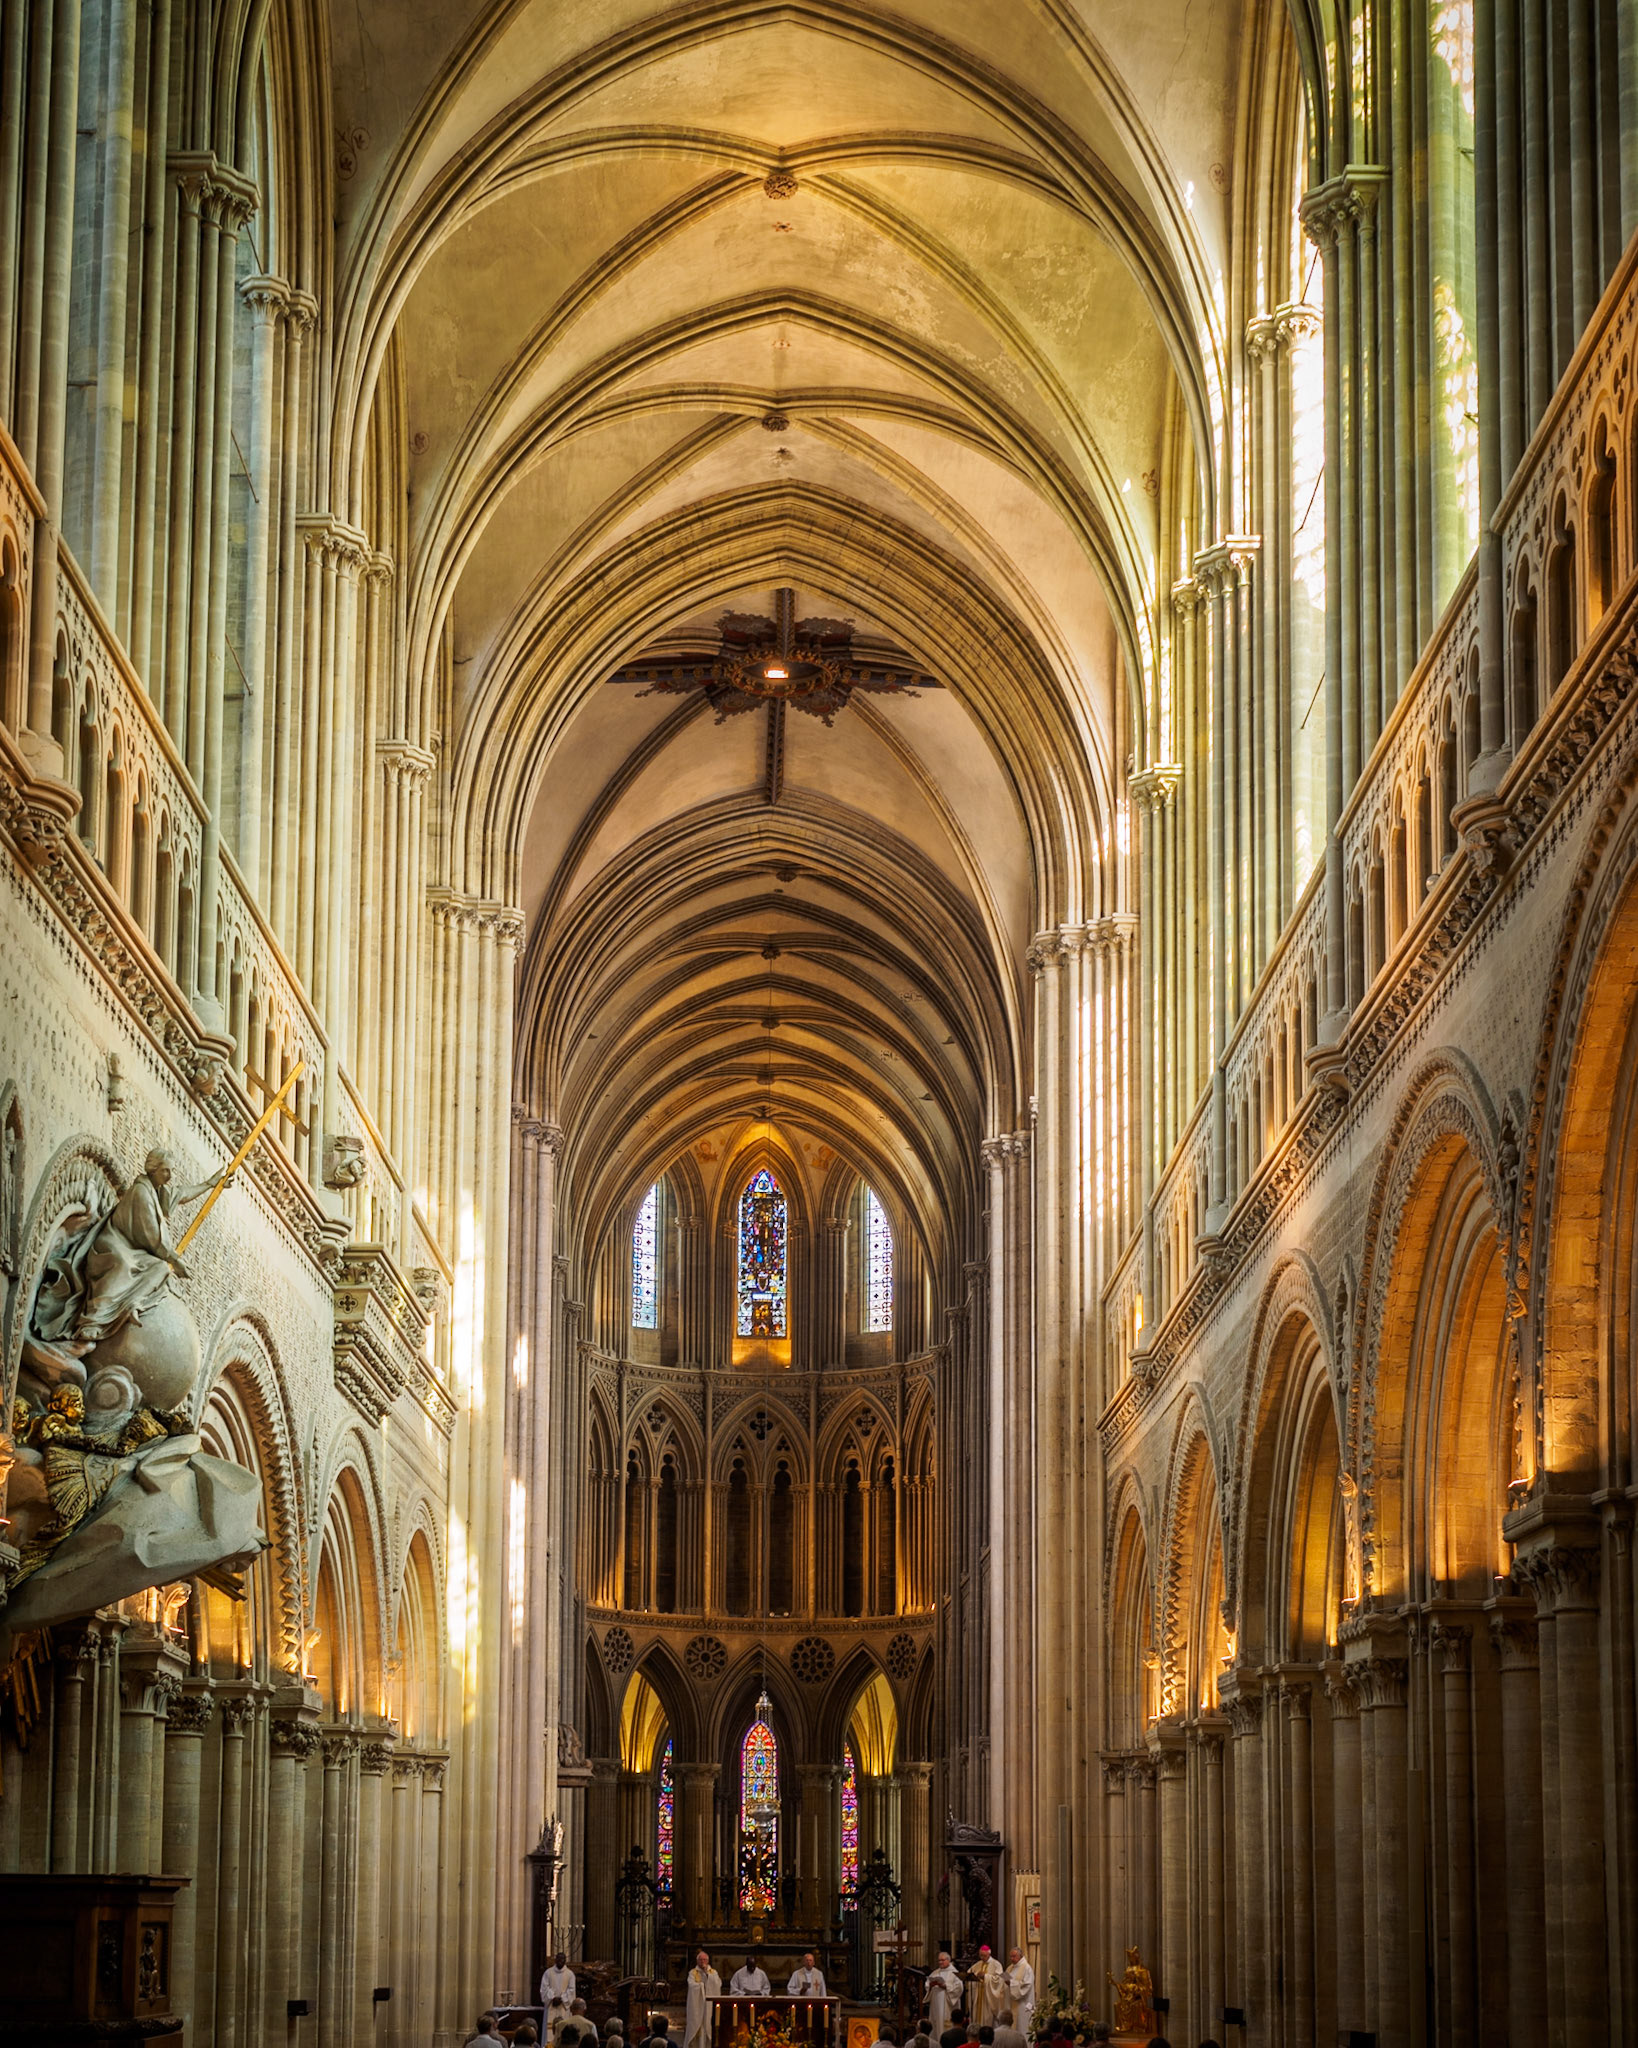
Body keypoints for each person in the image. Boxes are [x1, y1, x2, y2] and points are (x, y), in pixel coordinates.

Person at [685, 1951, 721, 2048]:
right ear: (697, 1961)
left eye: (704, 1959)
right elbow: (691, 1985)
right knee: (697, 2026)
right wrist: (701, 1986)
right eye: (700, 1960)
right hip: (697, 2005)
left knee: (708, 2025)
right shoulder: (693, 1973)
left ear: (708, 1961)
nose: (702, 1962)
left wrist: (707, 1976)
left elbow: (718, 1984)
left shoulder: (713, 1972)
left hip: (708, 2005)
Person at [927, 1951, 963, 2039]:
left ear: (948, 1960)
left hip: (948, 2005)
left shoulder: (955, 1973)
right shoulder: (935, 1972)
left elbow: (959, 1988)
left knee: (945, 2024)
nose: (940, 1962)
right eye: (939, 1960)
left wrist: (945, 1986)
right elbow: (927, 1983)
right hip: (936, 2005)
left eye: (942, 1960)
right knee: (936, 2023)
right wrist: (930, 1986)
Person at [967, 1949, 1005, 2031]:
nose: (982, 1957)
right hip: (978, 1995)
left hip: (988, 1997)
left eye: (984, 1955)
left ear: (989, 1954)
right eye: (980, 1955)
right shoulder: (978, 1964)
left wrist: (986, 1976)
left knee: (988, 2018)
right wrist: (976, 1975)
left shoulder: (996, 1964)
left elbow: (999, 1979)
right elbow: (969, 1973)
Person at [1003, 1950, 1034, 2040]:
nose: (1011, 1959)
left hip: (1022, 2005)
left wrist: (1011, 1983)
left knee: (1022, 2028)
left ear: (1020, 1956)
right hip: (1011, 2003)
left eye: (1014, 1956)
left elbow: (1027, 1985)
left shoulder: (1027, 1968)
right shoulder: (1010, 1968)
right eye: (1011, 1956)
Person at [540, 1953, 575, 2030]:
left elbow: (571, 1990)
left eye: (562, 1959)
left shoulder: (570, 1974)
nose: (560, 1961)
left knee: (563, 2029)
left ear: (565, 1960)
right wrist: (552, 1998)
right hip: (551, 2005)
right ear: (555, 1960)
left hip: (563, 2006)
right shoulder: (548, 1973)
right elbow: (544, 1988)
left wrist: (562, 1999)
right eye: (558, 1959)